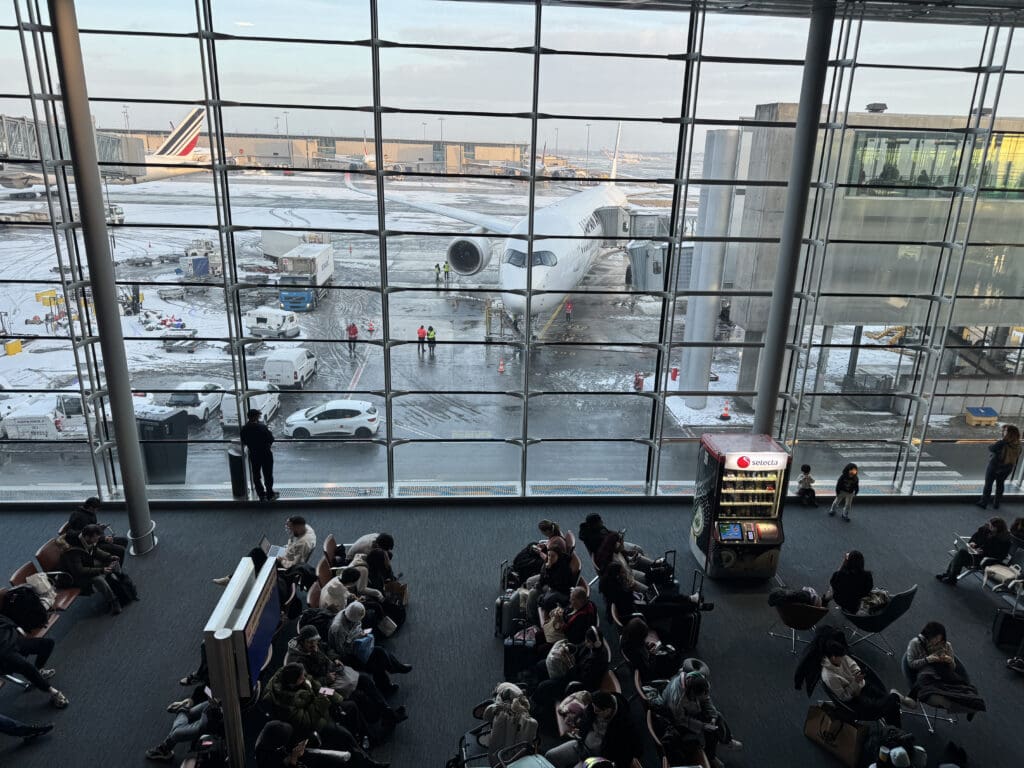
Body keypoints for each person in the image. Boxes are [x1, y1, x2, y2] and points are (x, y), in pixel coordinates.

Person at [285, 626, 405, 729]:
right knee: (357, 695)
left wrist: (334, 658)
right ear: (302, 641)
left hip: (335, 673)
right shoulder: (299, 662)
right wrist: (325, 679)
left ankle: (387, 712)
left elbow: (328, 649)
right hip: (325, 687)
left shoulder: (315, 644)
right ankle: (380, 718)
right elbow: (308, 684)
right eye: (310, 642)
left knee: (365, 680)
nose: (314, 645)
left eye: (315, 641)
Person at [663, 668, 742, 768]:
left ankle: (726, 740)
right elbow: (681, 720)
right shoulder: (677, 700)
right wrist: (703, 726)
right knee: (710, 730)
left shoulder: (697, 678)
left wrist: (712, 717)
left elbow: (706, 700)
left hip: (688, 709)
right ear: (692, 693)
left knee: (716, 716)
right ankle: (711, 756)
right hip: (675, 720)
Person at [905, 622, 985, 719]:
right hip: (927, 674)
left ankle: (969, 706)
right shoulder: (916, 643)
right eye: (935, 639)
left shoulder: (947, 645)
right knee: (935, 694)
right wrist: (928, 659)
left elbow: (953, 668)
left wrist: (950, 661)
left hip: (945, 674)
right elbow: (911, 664)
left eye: (940, 639)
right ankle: (968, 707)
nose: (937, 642)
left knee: (962, 689)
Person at [327, 603, 411, 694]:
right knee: (378, 657)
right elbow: (341, 651)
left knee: (379, 654)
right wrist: (357, 641)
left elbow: (356, 627)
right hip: (347, 657)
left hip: (356, 645)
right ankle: (393, 670)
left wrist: (360, 635)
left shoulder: (349, 613)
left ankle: (391, 675)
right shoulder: (338, 628)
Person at [820, 641, 908, 726]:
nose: (844, 658)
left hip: (864, 685)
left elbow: (853, 665)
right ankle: (895, 729)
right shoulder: (829, 677)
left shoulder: (841, 656)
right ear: (833, 658)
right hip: (856, 699)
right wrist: (855, 683)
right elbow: (843, 697)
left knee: (891, 704)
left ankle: (894, 731)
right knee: (893, 699)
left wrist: (857, 673)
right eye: (841, 657)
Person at [544, 690, 640, 768]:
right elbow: (586, 720)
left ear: (608, 710)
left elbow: (635, 751)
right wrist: (580, 730)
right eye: (593, 708)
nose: (594, 712)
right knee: (550, 756)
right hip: (582, 745)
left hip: (597, 757)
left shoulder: (625, 725)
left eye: (598, 711)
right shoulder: (594, 705)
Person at [0, 615, 69, 709]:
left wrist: (16, 627)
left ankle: (39, 670)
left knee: (48, 644)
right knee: (26, 667)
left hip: (14, 639)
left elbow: (3, 618)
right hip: (4, 655)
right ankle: (53, 692)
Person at [255, 719, 388, 768]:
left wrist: (303, 743)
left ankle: (365, 762)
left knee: (343, 747)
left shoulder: (274, 732)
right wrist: (294, 758)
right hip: (298, 761)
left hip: (302, 755)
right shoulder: (266, 761)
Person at [57, 523, 124, 614]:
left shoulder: (86, 541)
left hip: (85, 564)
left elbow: (95, 551)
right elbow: (79, 571)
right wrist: (101, 570)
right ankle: (113, 601)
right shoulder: (73, 551)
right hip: (72, 576)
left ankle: (119, 583)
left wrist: (109, 557)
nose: (97, 540)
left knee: (111, 562)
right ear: (87, 537)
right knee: (98, 579)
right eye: (95, 538)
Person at [936, 517, 1011, 584]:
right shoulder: (984, 530)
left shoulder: (1003, 541)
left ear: (998, 528)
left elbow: (1000, 556)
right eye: (990, 525)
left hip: (985, 560)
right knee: (961, 553)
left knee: (961, 553)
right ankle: (950, 575)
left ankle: (951, 577)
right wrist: (973, 543)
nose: (989, 527)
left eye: (992, 526)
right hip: (975, 554)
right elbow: (975, 538)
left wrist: (983, 552)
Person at [145, 698, 222, 761]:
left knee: (177, 733)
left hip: (215, 718)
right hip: (213, 706)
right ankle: (165, 748)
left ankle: (182, 709)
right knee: (186, 716)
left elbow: (203, 725)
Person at [619, 616, 681, 682]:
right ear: (638, 638)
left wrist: (647, 646)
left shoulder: (628, 638)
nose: (645, 639)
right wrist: (652, 655)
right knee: (672, 658)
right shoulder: (633, 654)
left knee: (667, 653)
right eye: (643, 637)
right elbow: (647, 672)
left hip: (647, 661)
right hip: (650, 674)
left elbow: (642, 648)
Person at [976, 424, 1020, 509]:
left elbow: (991, 448)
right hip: (1008, 467)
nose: (1003, 432)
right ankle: (996, 503)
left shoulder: (1002, 443)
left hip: (995, 466)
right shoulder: (1018, 444)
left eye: (1005, 431)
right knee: (1000, 484)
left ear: (1008, 434)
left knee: (988, 484)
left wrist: (997, 443)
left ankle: (984, 502)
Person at [240, 408, 278, 501]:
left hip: (254, 454)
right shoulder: (262, 427)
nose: (259, 417)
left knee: (256, 475)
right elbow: (271, 439)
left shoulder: (244, 429)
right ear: (255, 417)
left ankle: (261, 494)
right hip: (266, 453)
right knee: (268, 474)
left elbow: (244, 440)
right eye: (258, 415)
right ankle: (270, 493)